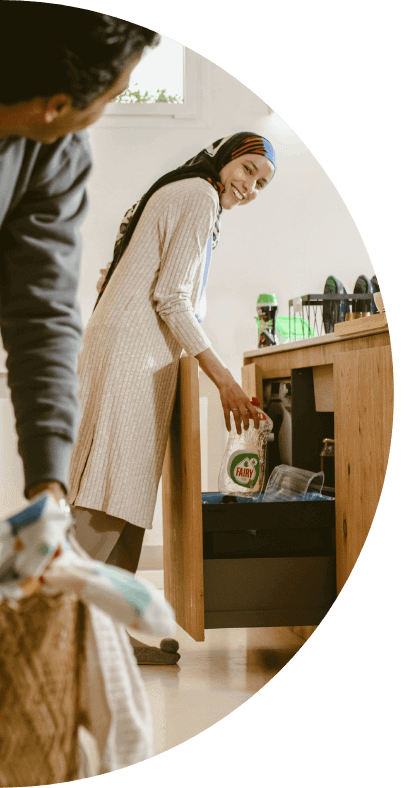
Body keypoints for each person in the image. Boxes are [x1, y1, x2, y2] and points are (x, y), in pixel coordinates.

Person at [1, 6, 161, 781]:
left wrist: (49, 488)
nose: (116, 103)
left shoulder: (54, 152)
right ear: (53, 102)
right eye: (118, 91)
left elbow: (41, 315)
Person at [69, 132, 276, 664]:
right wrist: (222, 376)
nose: (250, 186)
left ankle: (106, 641)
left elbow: (147, 279)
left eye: (261, 182)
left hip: (140, 352)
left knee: (129, 494)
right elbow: (172, 297)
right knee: (108, 489)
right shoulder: (200, 194)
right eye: (249, 169)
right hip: (130, 353)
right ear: (227, 157)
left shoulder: (189, 193)